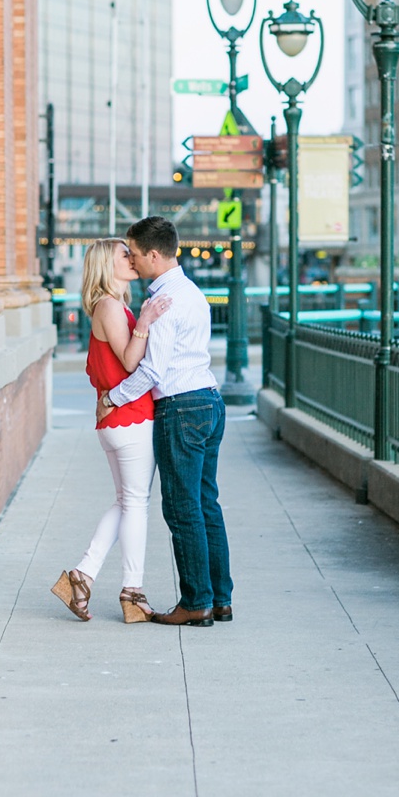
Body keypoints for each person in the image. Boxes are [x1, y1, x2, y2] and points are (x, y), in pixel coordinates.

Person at [97, 216, 233, 627]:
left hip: (182, 407)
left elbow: (152, 371)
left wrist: (113, 398)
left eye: (135, 255)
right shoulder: (190, 292)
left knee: (181, 508)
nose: (132, 262)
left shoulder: (163, 302)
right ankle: (220, 597)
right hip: (209, 401)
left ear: (154, 255)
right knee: (206, 502)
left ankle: (196, 602)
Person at [51, 238, 171, 623]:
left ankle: (81, 578)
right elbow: (132, 362)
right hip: (131, 417)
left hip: (117, 419)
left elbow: (98, 368)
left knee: (125, 502)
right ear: (108, 264)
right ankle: (132, 592)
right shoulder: (110, 306)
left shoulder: (108, 307)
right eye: (125, 255)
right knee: (136, 503)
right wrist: (148, 322)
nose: (132, 258)